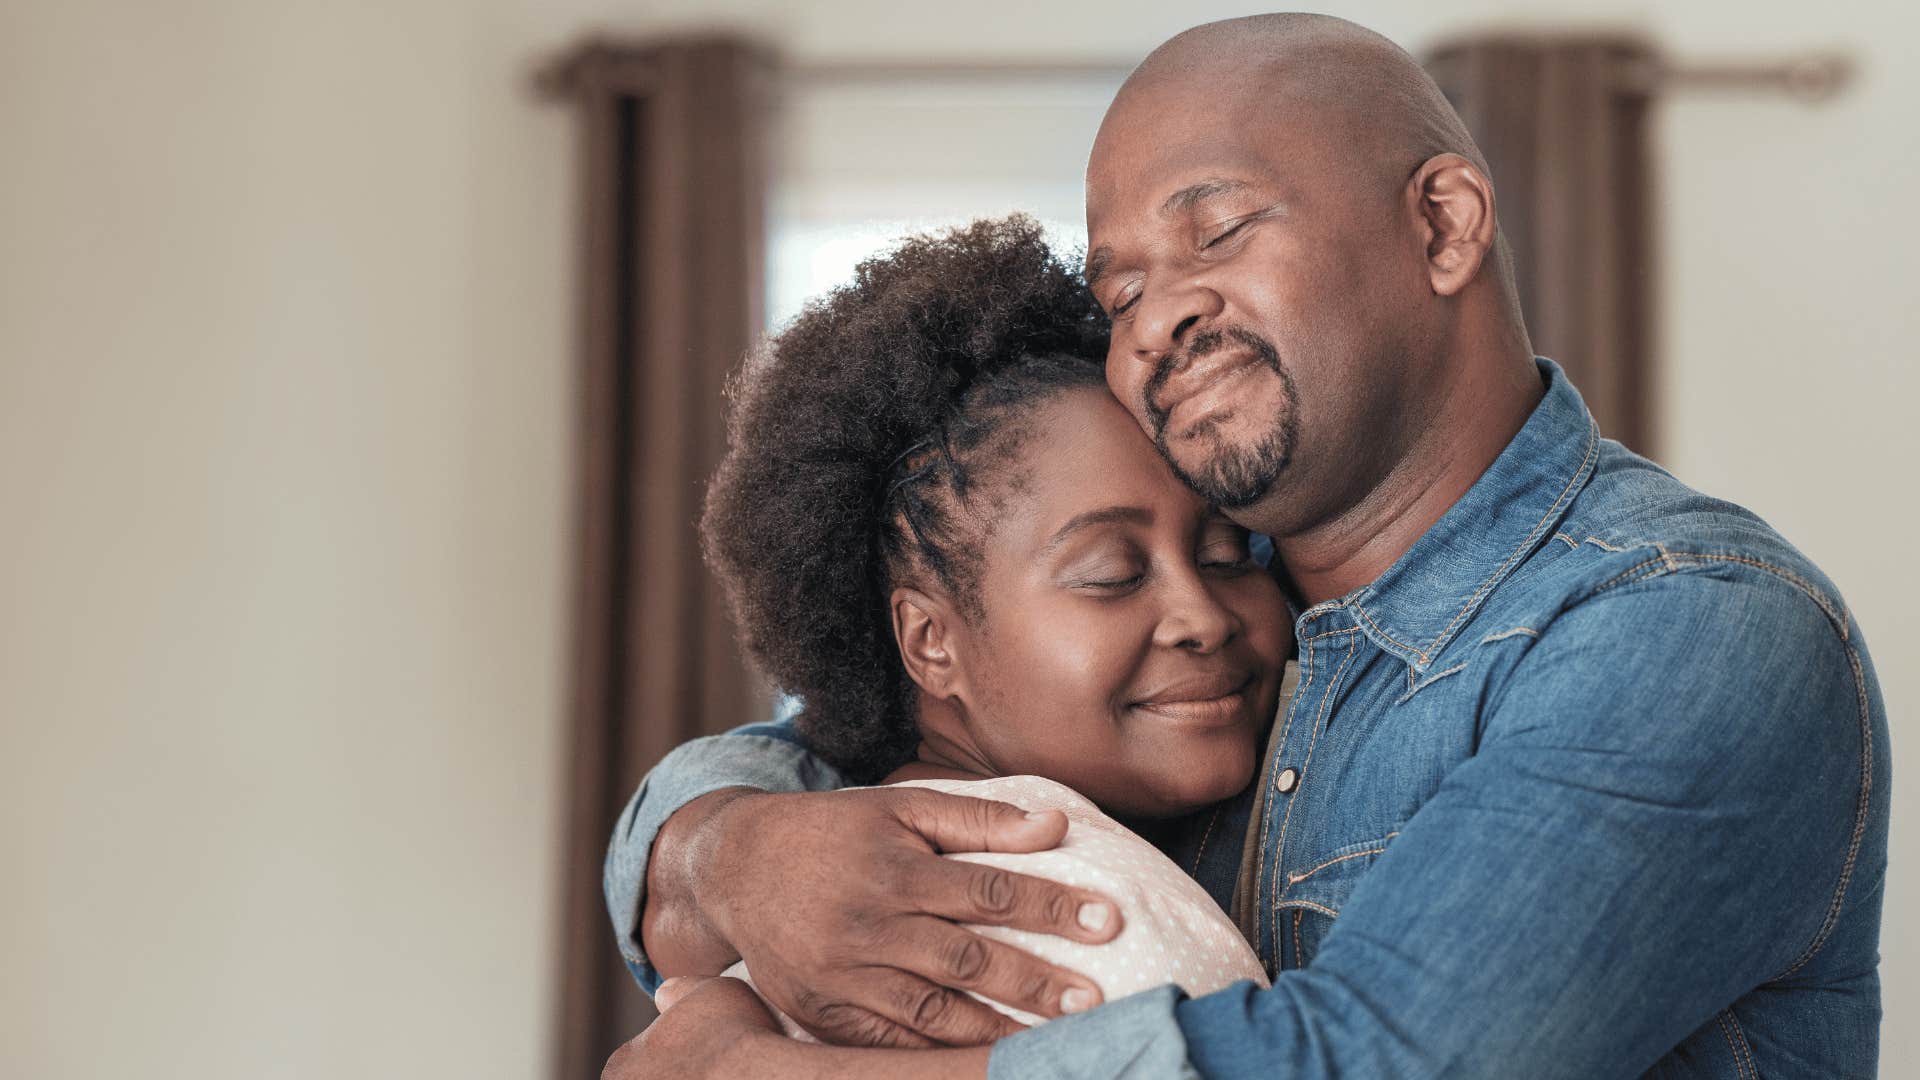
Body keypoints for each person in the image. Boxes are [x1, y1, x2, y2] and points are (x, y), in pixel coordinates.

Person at [604, 14, 1890, 1079]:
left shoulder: (1682, 623)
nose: (1161, 319)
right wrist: (723, 849)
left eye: (1215, 232)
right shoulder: (1236, 633)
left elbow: (1377, 1065)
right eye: (1120, 293)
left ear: (1442, 223)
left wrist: (749, 1070)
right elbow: (847, 734)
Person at [696, 215, 1283, 1031]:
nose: (1203, 618)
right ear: (931, 643)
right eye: (1112, 574)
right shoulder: (1088, 918)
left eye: (1226, 553)